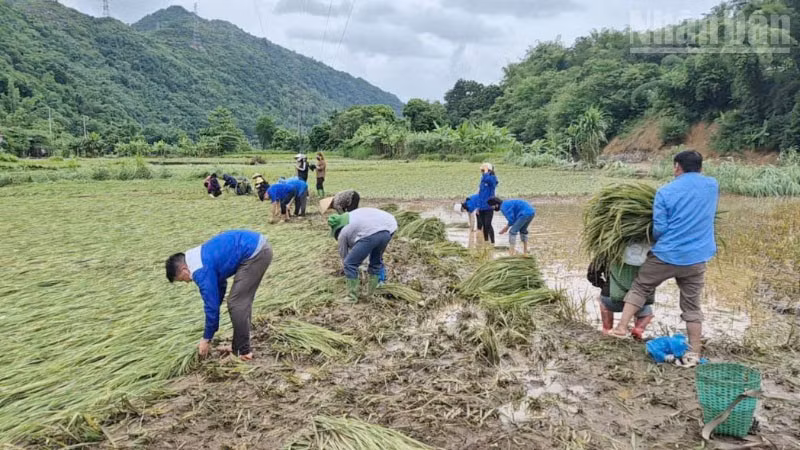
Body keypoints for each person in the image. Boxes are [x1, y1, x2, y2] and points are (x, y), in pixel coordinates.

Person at [608, 150, 719, 366]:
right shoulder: (712, 185)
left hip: (667, 254)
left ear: (677, 166)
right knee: (692, 306)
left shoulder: (665, 192)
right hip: (696, 258)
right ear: (701, 167)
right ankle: (694, 351)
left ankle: (621, 328)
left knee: (640, 286)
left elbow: (659, 228)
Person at [165, 230, 272, 361]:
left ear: (184, 269)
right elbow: (220, 285)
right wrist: (216, 305)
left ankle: (243, 352)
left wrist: (206, 338)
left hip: (256, 253)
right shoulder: (197, 257)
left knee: (237, 303)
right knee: (238, 302)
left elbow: (211, 306)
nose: (187, 282)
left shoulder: (200, 270)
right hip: (256, 247)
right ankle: (238, 347)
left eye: (182, 279)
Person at [328, 208, 398, 301]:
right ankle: (372, 292)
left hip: (372, 234)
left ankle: (352, 297)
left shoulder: (343, 233)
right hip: (387, 230)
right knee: (375, 262)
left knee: (349, 264)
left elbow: (345, 258)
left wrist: (348, 269)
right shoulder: (353, 216)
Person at [587, 255, 655, 340]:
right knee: (646, 312)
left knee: (603, 302)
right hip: (639, 300)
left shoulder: (607, 252)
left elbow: (592, 275)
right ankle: (638, 329)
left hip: (610, 299)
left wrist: (605, 287)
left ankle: (607, 329)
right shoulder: (649, 253)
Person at [476, 163, 498, 245]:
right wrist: (478, 207)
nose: (482, 172)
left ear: (488, 170)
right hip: (481, 207)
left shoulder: (493, 179)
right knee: (484, 225)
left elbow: (489, 180)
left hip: (489, 206)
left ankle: (492, 242)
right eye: (482, 171)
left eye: (483, 170)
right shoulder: (483, 179)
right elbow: (480, 194)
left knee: (488, 224)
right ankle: (486, 241)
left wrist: (486, 171)